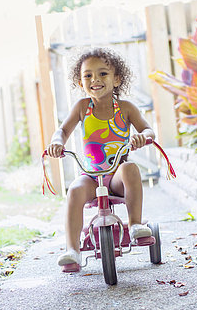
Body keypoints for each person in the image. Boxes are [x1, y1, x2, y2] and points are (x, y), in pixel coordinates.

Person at [47, 47, 155, 268]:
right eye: (88, 75)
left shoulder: (126, 109)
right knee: (75, 189)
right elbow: (63, 131)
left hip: (117, 177)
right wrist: (58, 142)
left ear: (117, 79)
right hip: (91, 176)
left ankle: (134, 225)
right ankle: (72, 250)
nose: (95, 79)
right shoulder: (81, 108)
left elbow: (148, 130)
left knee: (130, 168)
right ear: (80, 82)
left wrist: (142, 137)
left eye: (103, 73)